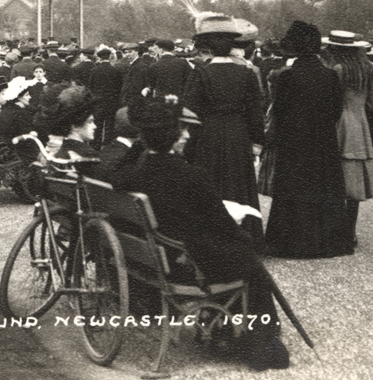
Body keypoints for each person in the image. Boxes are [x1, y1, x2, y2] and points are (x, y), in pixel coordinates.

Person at [108, 95, 290, 372]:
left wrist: (140, 144)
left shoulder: (136, 173)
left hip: (155, 258)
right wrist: (244, 239)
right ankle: (261, 345)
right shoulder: (191, 175)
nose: (188, 135)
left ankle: (222, 333)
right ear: (173, 137)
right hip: (185, 264)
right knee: (248, 261)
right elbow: (223, 226)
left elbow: (115, 173)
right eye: (183, 130)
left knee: (234, 252)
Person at [264, 22, 350, 258]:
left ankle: (292, 242)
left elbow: (279, 112)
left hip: (294, 140)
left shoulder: (287, 77)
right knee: (324, 186)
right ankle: (326, 241)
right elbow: (336, 110)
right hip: (322, 139)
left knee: (295, 188)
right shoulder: (330, 75)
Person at [182, 15, 266, 249]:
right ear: (233, 45)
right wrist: (257, 141)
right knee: (239, 182)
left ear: (207, 46)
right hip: (238, 133)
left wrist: (189, 143)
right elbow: (255, 112)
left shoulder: (200, 73)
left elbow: (190, 111)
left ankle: (213, 239)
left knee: (211, 182)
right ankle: (245, 238)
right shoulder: (246, 74)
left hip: (208, 133)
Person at [322, 30, 373, 251]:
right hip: (360, 123)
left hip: (339, 123)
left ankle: (335, 231)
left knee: (336, 178)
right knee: (354, 183)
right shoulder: (368, 69)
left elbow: (330, 101)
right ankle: (351, 231)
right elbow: (371, 103)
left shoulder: (336, 69)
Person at [0, 77, 39, 163]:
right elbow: (27, 137)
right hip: (20, 152)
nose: (30, 97)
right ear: (19, 97)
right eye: (27, 95)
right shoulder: (20, 113)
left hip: (8, 149)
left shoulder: (6, 110)